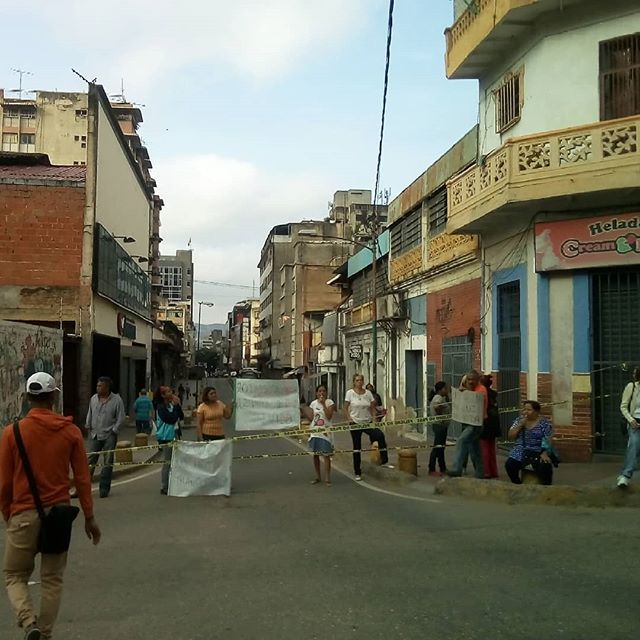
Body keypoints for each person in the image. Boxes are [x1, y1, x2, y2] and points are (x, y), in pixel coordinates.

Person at [0, 372, 101, 640]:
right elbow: (82, 478)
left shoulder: (12, 433)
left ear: (27, 397)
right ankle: (43, 634)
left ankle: (28, 621)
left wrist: (8, 514)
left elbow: (5, 484)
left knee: (14, 575)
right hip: (57, 515)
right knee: (52, 578)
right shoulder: (70, 432)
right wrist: (89, 517)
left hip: (22, 514)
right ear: (54, 396)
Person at [343, 374, 394, 481]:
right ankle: (357, 472)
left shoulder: (368, 393)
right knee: (357, 447)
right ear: (354, 382)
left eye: (361, 380)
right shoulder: (350, 393)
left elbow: (372, 407)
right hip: (355, 423)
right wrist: (349, 418)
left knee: (380, 435)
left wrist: (375, 419)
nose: (359, 382)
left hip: (367, 422)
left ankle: (384, 461)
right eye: (357, 380)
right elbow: (345, 407)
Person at [85, 376, 125, 499]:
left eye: (100, 386)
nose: (98, 388)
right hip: (94, 434)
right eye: (97, 386)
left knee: (107, 462)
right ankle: (84, 488)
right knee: (89, 462)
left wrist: (114, 430)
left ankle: (104, 488)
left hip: (109, 435)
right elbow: (90, 413)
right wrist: (88, 425)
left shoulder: (117, 400)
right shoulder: (93, 399)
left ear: (107, 387)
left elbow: (121, 417)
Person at [446, 369, 487, 479]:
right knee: (474, 449)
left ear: (477, 380)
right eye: (468, 379)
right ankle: (480, 472)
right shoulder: (471, 388)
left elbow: (472, 399)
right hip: (469, 422)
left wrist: (466, 388)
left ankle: (457, 468)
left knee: (461, 441)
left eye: (472, 380)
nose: (470, 382)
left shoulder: (481, 390)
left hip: (476, 424)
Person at [505, 400, 554, 485]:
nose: (525, 412)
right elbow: (510, 436)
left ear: (537, 411)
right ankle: (517, 484)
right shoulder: (519, 420)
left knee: (545, 467)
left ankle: (546, 487)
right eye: (524, 409)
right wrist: (520, 425)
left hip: (538, 449)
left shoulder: (543, 423)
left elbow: (548, 439)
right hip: (521, 448)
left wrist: (545, 452)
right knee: (510, 464)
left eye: (529, 410)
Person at [155, 386, 184, 495]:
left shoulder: (172, 405)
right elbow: (171, 419)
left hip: (175, 434)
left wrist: (178, 406)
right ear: (163, 395)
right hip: (166, 437)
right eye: (168, 391)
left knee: (175, 461)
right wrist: (176, 407)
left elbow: (180, 416)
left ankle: (175, 483)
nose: (171, 392)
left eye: (171, 391)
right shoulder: (161, 407)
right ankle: (165, 486)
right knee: (168, 461)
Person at [617, 366, 640, 488]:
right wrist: (631, 420)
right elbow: (623, 406)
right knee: (634, 445)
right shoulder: (632, 387)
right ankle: (625, 476)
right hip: (635, 422)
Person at [308, 384, 335, 486]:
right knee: (315, 455)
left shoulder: (330, 403)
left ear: (326, 392)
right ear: (316, 393)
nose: (321, 393)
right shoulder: (313, 404)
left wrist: (323, 404)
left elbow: (329, 416)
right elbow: (311, 417)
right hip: (315, 432)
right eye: (319, 391)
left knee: (326, 455)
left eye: (323, 391)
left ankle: (327, 478)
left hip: (326, 433)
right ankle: (317, 476)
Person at [480, 374, 501, 479]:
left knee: (484, 448)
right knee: (491, 448)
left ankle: (486, 471)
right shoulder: (493, 394)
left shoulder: (481, 393)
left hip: (485, 423)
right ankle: (494, 471)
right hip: (494, 423)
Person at [428, 381, 450, 477]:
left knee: (441, 448)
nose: (447, 390)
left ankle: (443, 468)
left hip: (442, 426)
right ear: (440, 390)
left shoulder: (442, 398)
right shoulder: (438, 398)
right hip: (439, 425)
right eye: (445, 388)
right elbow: (437, 407)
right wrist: (441, 416)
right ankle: (431, 468)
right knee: (437, 448)